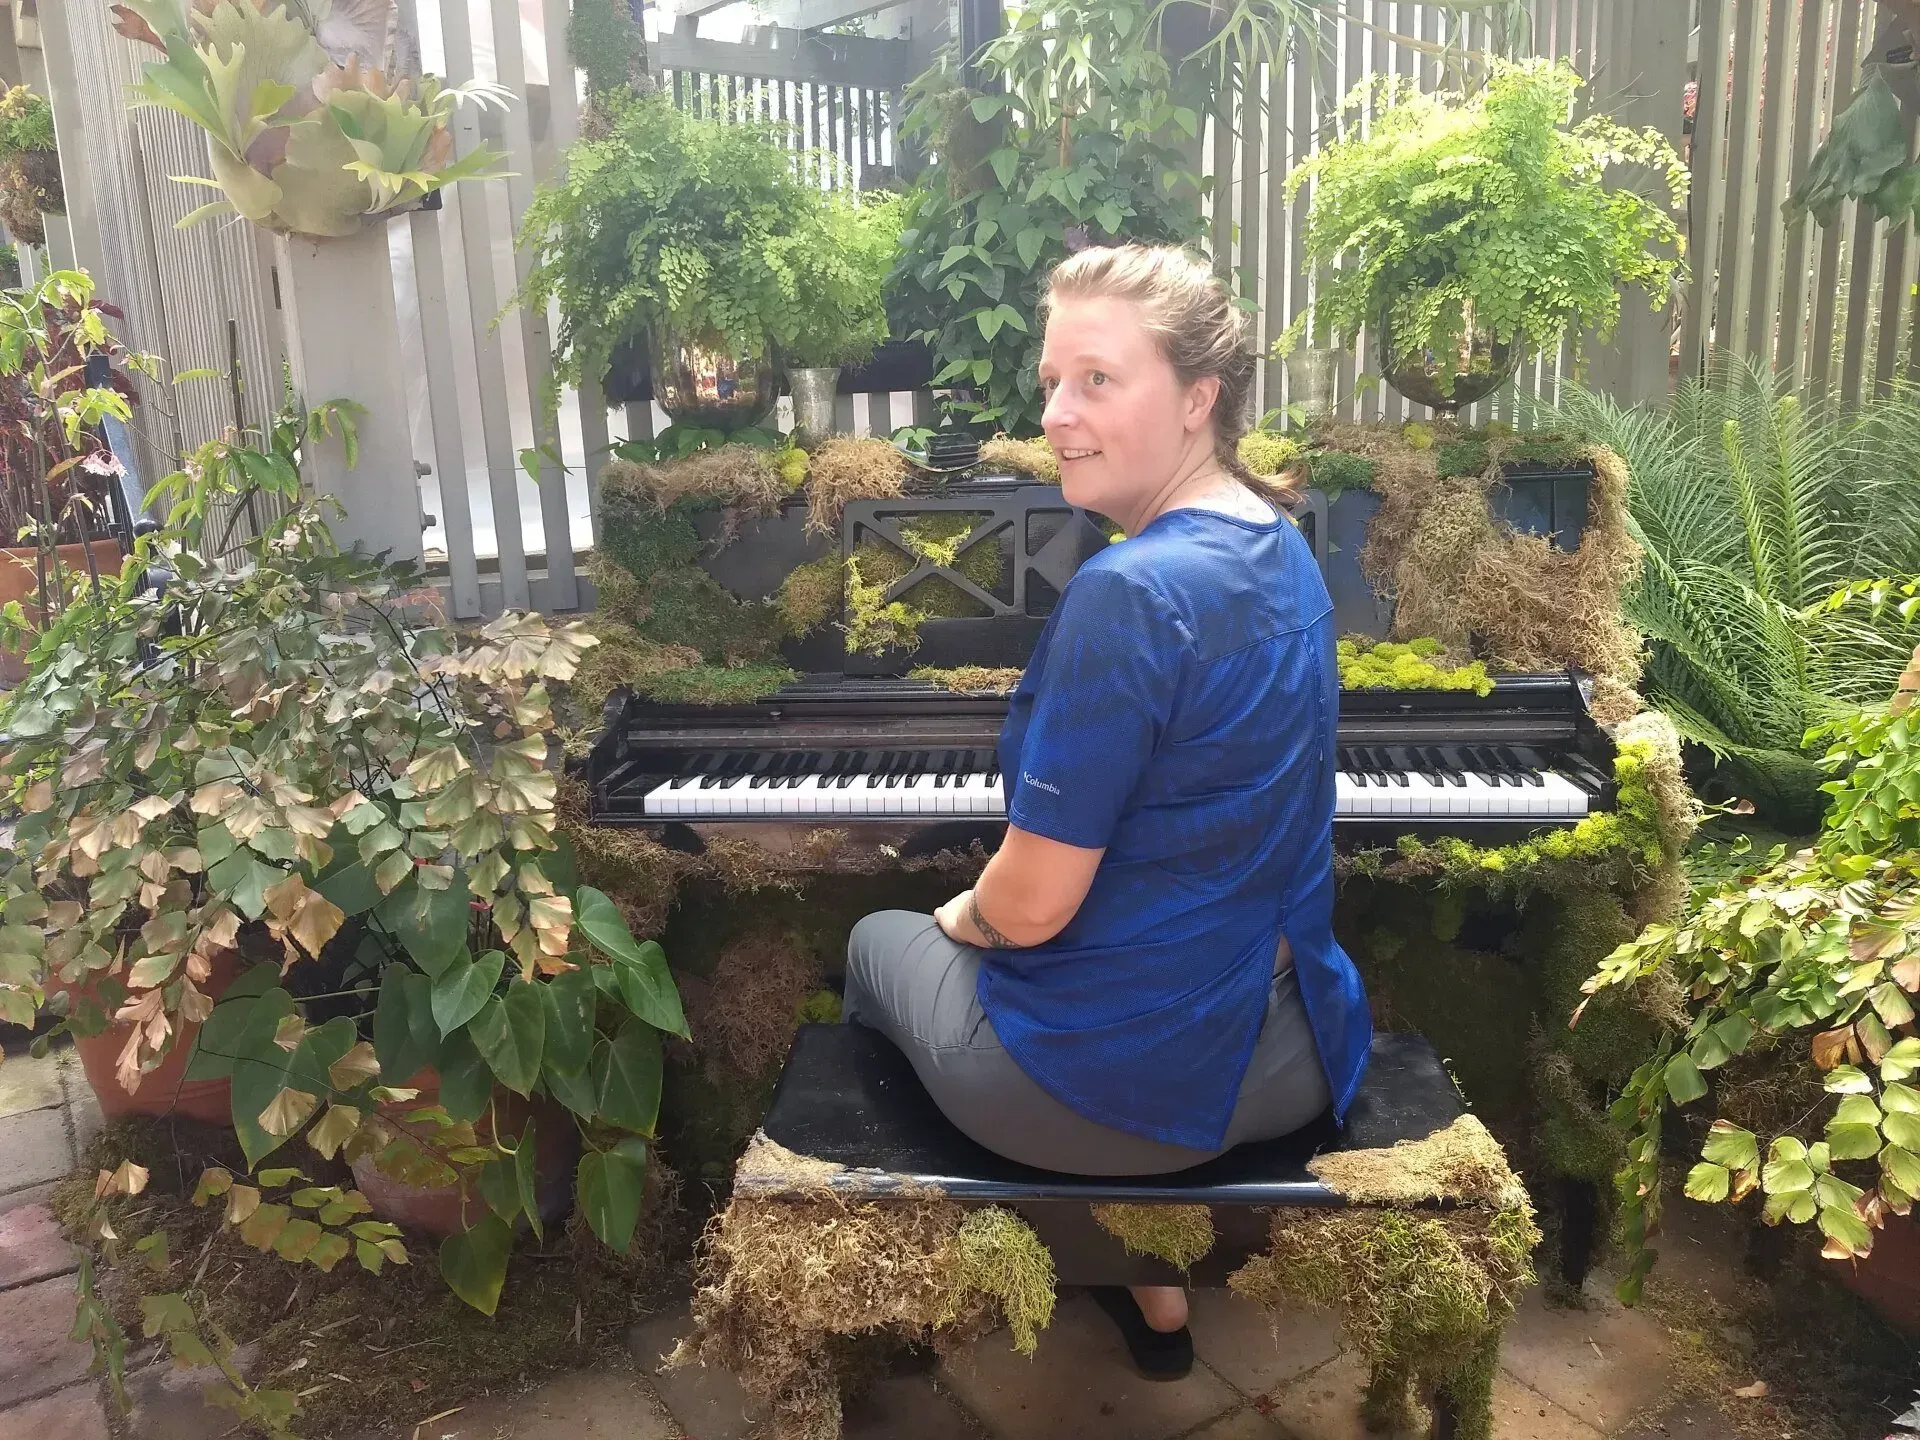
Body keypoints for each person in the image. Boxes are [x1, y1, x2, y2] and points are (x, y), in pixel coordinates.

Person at [841, 243, 1373, 1380]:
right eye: (1051, 383)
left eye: (1096, 380)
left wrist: (964, 918)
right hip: (1296, 1052)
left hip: (1128, 1090)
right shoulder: (1282, 545)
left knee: (872, 944)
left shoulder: (1128, 593)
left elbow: (1030, 911)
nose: (1057, 415)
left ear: (1197, 399)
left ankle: (898, 1302)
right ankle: (1155, 1297)